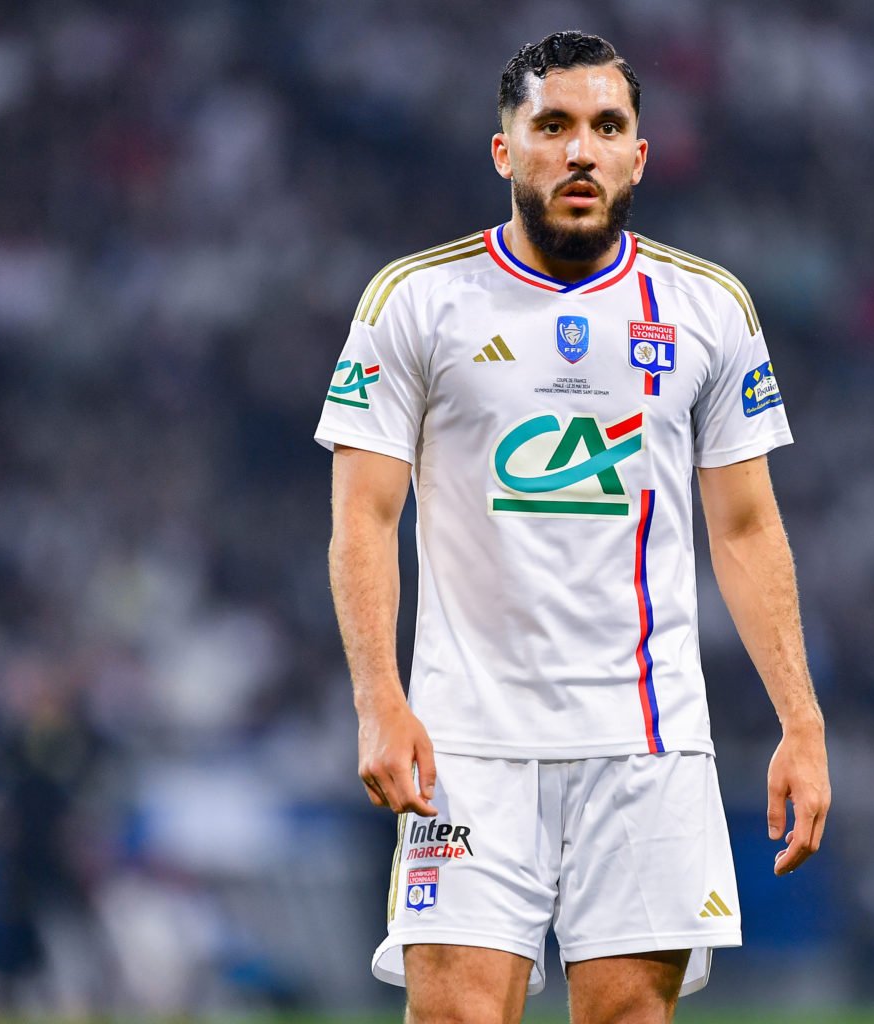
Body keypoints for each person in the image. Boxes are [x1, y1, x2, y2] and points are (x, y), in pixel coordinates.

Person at [316, 31, 830, 1024]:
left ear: (641, 154)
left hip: (646, 737)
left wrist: (800, 722)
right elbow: (363, 517)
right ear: (506, 149)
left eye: (607, 127)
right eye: (553, 125)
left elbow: (747, 526)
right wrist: (379, 698)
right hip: (466, 743)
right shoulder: (416, 302)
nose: (581, 150)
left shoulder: (707, 309)